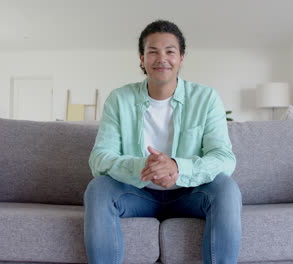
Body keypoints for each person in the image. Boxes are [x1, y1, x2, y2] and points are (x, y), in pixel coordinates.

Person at [84, 20, 242, 264]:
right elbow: (100, 158)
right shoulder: (119, 99)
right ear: (142, 58)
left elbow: (223, 158)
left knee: (226, 188)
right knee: (98, 188)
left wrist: (177, 168)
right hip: (136, 193)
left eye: (170, 51)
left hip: (190, 193)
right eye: (152, 52)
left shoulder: (207, 98)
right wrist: (144, 167)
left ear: (181, 58)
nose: (162, 58)